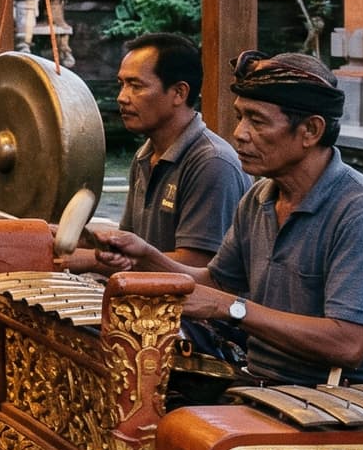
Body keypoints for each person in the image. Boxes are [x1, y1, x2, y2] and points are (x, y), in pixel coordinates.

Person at [101, 51, 363, 386]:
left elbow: (348, 343)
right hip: (268, 385)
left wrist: (232, 308)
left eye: (257, 120)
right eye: (240, 117)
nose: (239, 133)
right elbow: (217, 284)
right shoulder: (260, 197)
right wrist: (146, 257)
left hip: (354, 401)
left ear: (310, 130)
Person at [63, 33, 245, 273]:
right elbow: (127, 242)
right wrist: (84, 240)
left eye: (135, 86)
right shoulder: (143, 157)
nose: (122, 97)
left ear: (179, 93)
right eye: (122, 84)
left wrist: (90, 261)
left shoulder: (212, 163)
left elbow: (198, 266)